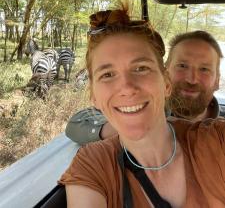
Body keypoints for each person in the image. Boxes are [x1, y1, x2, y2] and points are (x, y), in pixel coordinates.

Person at [59, 4, 225, 207]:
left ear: (165, 83)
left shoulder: (217, 138)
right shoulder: (93, 164)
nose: (127, 88)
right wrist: (121, 124)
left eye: (141, 68)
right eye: (107, 74)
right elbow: (77, 124)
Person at [66, 30, 223, 144]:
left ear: (217, 80)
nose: (191, 79)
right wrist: (129, 125)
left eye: (204, 69)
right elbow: (76, 124)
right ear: (165, 73)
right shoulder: (145, 108)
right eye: (182, 66)